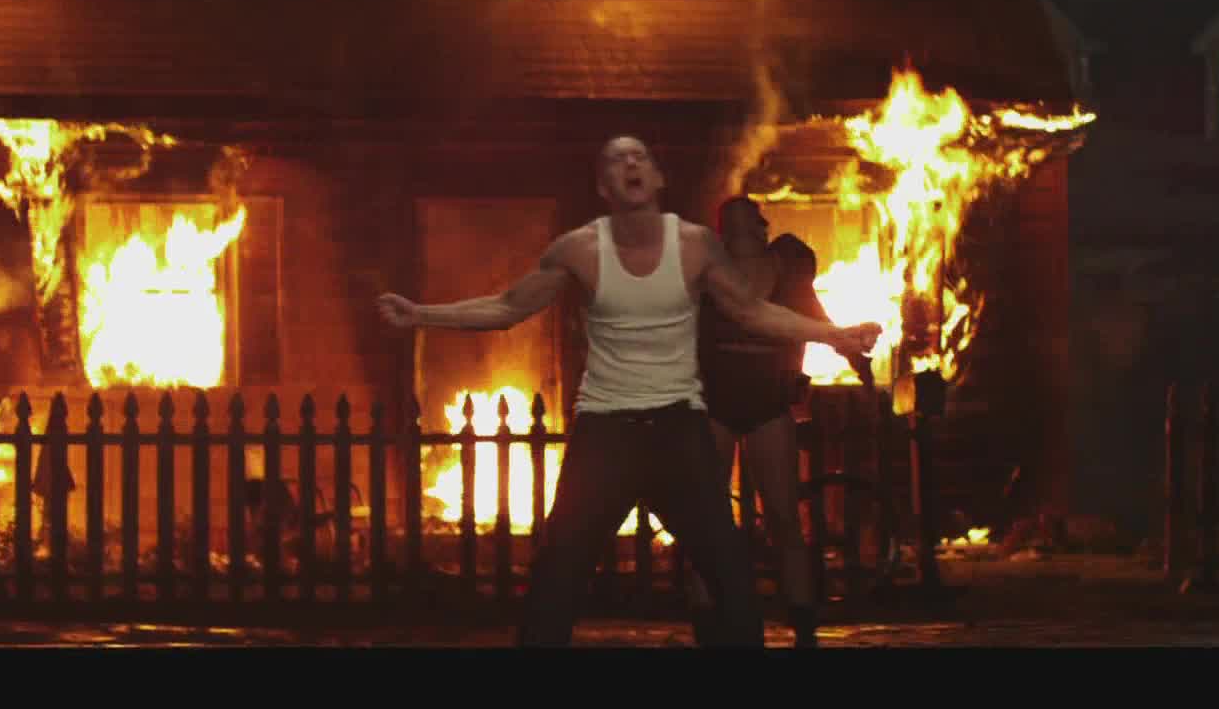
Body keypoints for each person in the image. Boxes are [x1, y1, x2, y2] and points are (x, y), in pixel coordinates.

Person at [375, 136, 880, 647]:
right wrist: (421, 314)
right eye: (617, 160)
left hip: (677, 428)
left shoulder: (695, 247)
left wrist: (834, 335)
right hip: (606, 431)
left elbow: (752, 312)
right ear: (604, 186)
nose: (631, 164)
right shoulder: (579, 249)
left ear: (658, 178)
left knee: (728, 571)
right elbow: (508, 307)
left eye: (640, 157)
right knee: (559, 572)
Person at [684, 199, 871, 648]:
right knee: (708, 519)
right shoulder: (705, 274)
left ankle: (803, 625)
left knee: (784, 518)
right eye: (731, 224)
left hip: (768, 402)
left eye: (747, 221)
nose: (741, 230)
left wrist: (853, 355)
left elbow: (816, 319)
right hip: (714, 402)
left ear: (761, 228)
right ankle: (707, 625)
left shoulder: (787, 273)